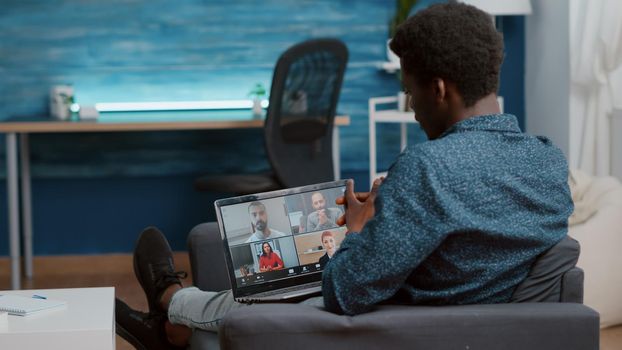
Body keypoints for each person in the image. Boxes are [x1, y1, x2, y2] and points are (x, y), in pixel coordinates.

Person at [115, 3, 574, 348]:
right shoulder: (549, 161)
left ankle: (170, 300)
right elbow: (471, 229)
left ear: (438, 89)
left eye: (410, 90)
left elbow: (345, 292)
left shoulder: (427, 167)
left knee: (275, 296)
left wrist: (357, 231)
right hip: (449, 297)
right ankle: (173, 328)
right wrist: (390, 219)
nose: (411, 106)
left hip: (396, 313)